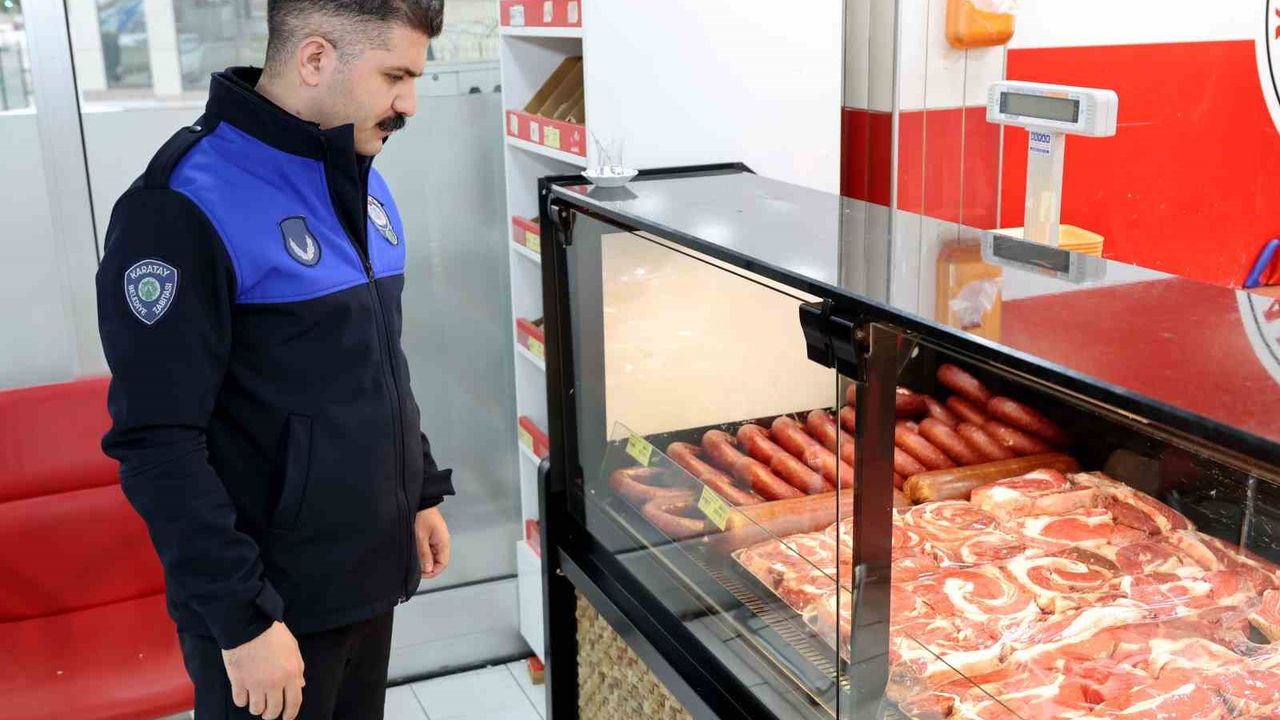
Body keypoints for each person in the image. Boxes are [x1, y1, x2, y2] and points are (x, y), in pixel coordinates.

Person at [94, 2, 453, 719]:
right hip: (270, 610)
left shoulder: (355, 170)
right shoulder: (180, 205)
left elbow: (373, 360)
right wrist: (243, 620)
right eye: (395, 77)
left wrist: (417, 488)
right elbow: (157, 443)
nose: (409, 103)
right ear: (315, 59)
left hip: (365, 580)